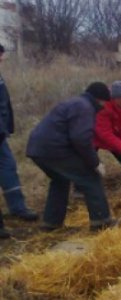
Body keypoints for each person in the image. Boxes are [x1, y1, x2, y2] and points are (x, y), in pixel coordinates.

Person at [27, 82, 115, 232]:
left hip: (38, 149)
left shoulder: (75, 102)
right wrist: (95, 163)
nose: (104, 106)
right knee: (90, 178)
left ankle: (51, 223)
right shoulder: (85, 107)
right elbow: (80, 139)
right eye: (104, 103)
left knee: (60, 180)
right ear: (100, 99)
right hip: (54, 150)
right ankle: (102, 222)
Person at [0, 44, 39, 227]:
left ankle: (17, 207)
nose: (2, 60)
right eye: (0, 57)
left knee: (8, 167)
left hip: (1, 134)